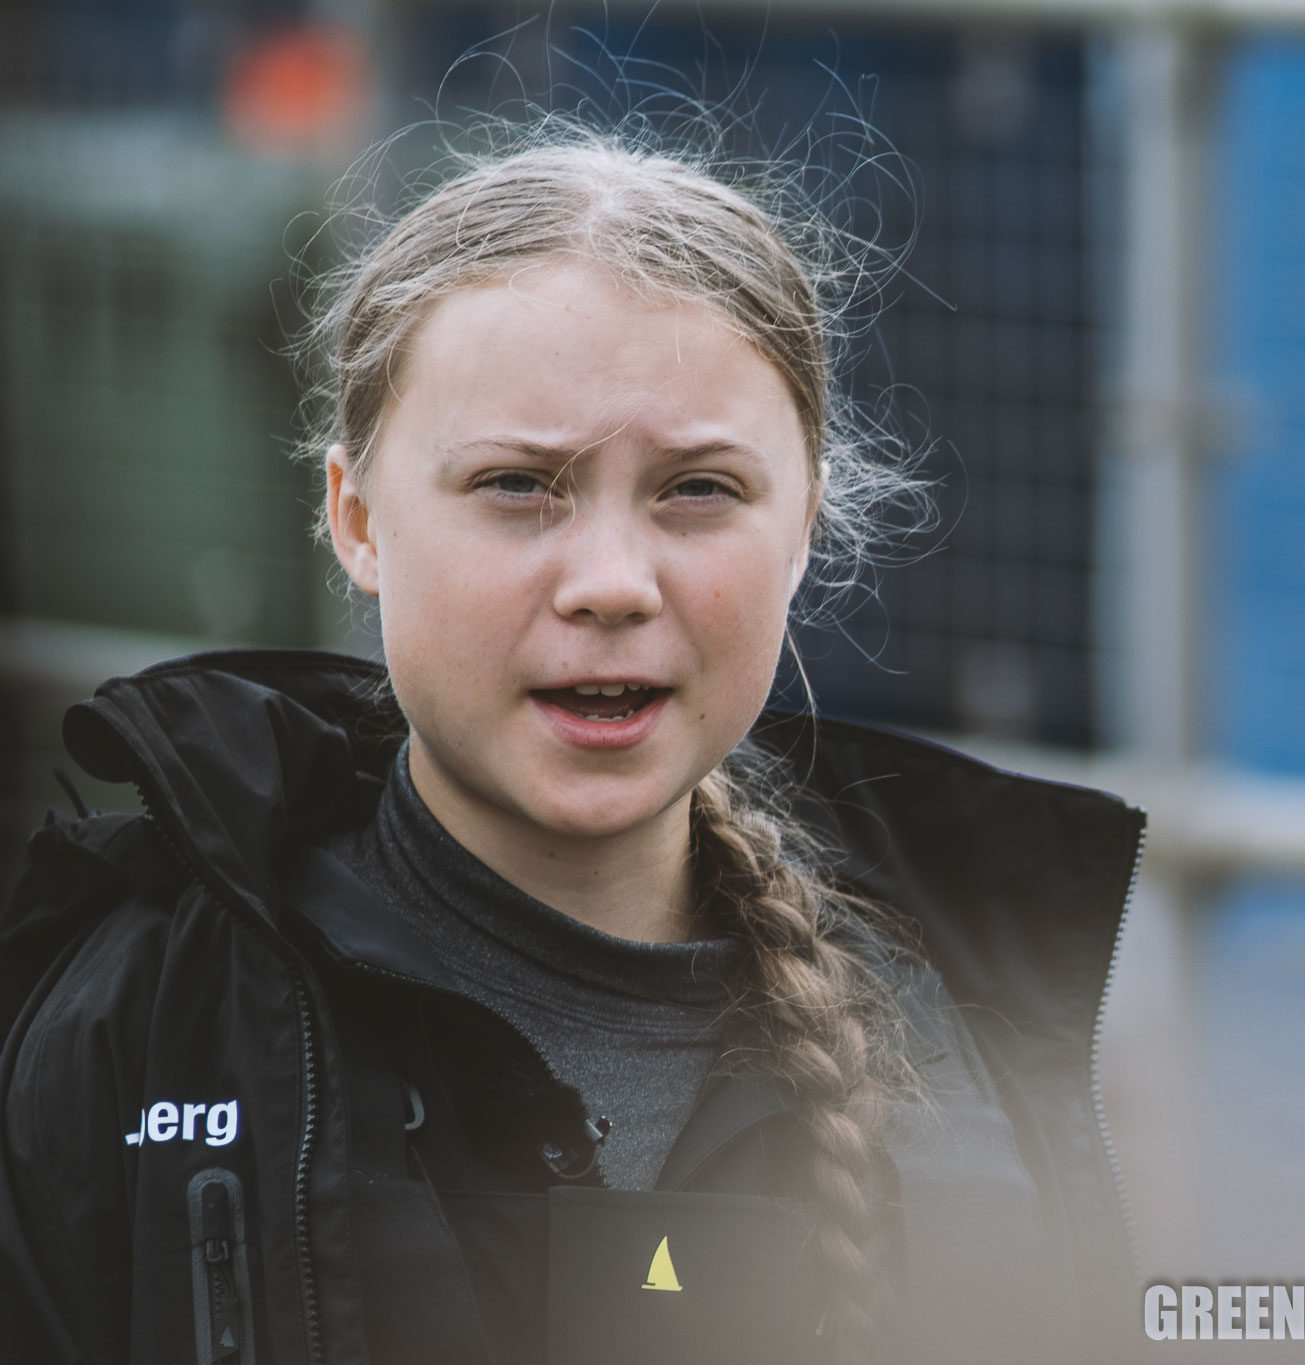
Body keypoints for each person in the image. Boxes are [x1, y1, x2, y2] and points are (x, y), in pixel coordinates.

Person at [0, 123, 1146, 1365]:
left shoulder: (973, 1046)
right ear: (357, 519)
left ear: (804, 526)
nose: (611, 583)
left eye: (697, 489)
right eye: (518, 485)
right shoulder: (129, 1029)